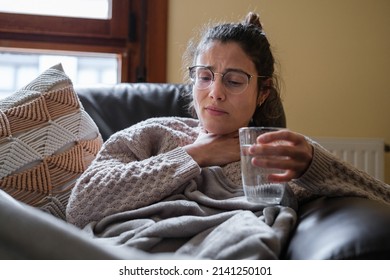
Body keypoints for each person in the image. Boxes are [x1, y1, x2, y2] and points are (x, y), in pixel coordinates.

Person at [66, 12, 390, 258]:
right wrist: (196, 155)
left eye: (234, 81)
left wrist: (314, 165)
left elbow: (381, 196)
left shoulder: (275, 154)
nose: (215, 93)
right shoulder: (152, 133)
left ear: (262, 92)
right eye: (204, 77)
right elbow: (81, 206)